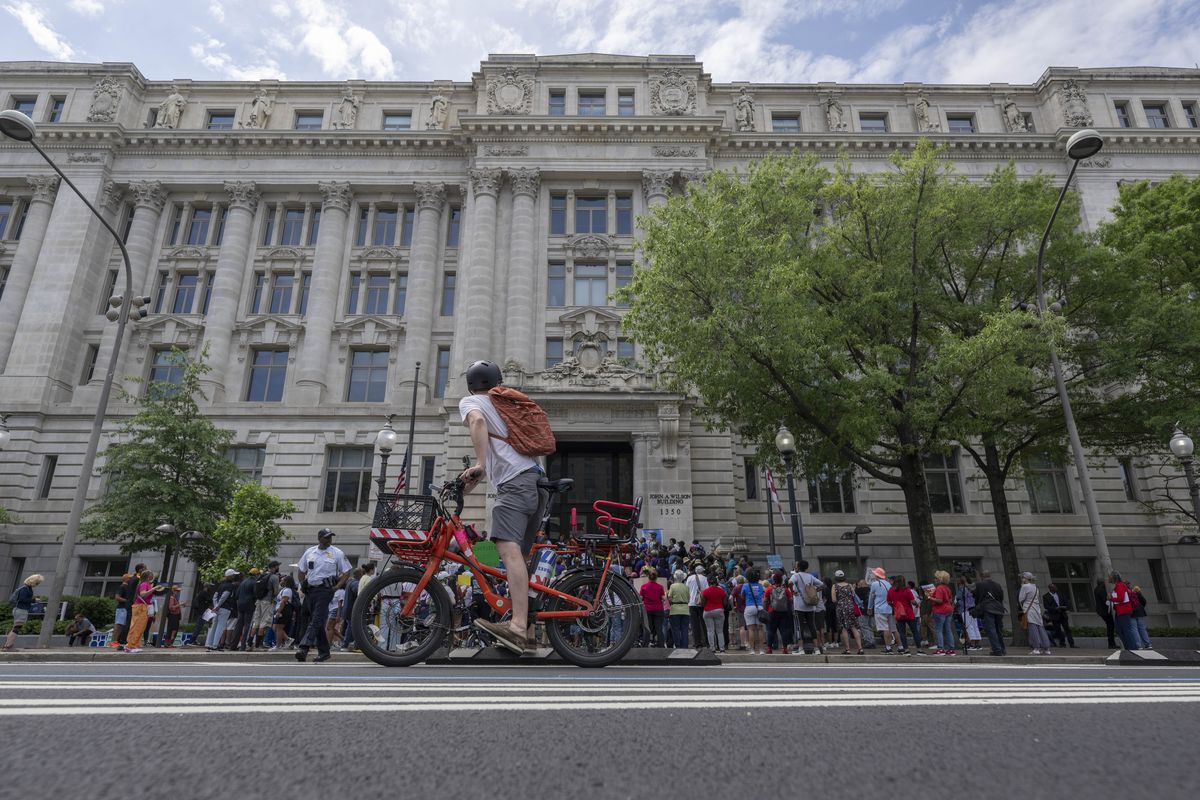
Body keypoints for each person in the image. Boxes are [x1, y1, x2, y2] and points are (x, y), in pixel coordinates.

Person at [458, 360, 550, 655]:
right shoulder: (504, 403)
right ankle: (532, 633)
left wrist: (480, 465)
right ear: (497, 382)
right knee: (520, 558)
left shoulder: (472, 402)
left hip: (515, 483)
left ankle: (519, 628)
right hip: (536, 479)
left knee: (508, 553)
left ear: (471, 385)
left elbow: (478, 422)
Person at [296, 528, 352, 663]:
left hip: (325, 590)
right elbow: (301, 569)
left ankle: (303, 648)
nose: (329, 540)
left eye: (330, 537)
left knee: (316, 619)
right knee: (318, 622)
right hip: (310, 590)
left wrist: (337, 587)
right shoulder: (310, 552)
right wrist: (302, 583)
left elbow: (346, 572)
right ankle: (324, 652)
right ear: (319, 538)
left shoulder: (337, 553)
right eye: (326, 537)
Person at [4, 574, 44, 650]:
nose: (37, 584)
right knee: (16, 628)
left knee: (15, 628)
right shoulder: (25, 589)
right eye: (37, 583)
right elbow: (22, 599)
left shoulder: (27, 588)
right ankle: (8, 646)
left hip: (20, 609)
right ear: (33, 581)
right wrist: (34, 600)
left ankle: (7, 645)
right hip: (20, 610)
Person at [972, 570, 1007, 656]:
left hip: (988, 609)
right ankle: (1002, 649)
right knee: (998, 630)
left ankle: (997, 650)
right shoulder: (997, 585)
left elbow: (977, 597)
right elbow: (1001, 597)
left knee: (991, 630)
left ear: (981, 576)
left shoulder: (980, 585)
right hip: (999, 609)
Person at [888, 575, 922, 655]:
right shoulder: (907, 590)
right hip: (909, 613)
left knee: (902, 632)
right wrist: (917, 604)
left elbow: (889, 601)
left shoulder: (891, 590)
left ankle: (906, 649)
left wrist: (894, 606)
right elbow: (913, 601)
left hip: (899, 614)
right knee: (915, 631)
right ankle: (919, 649)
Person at [830, 570, 863, 655]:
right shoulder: (849, 585)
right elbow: (853, 595)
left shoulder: (835, 586)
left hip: (841, 608)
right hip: (851, 607)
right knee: (854, 627)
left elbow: (833, 599)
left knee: (844, 628)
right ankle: (860, 648)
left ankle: (847, 649)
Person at [123, 569, 155, 653]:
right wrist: (153, 589)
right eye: (151, 575)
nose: (152, 576)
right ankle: (130, 646)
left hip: (142, 606)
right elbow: (143, 594)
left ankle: (134, 645)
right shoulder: (144, 584)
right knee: (137, 626)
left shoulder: (145, 584)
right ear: (148, 577)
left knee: (140, 627)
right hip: (140, 607)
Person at [206, 569, 238, 650]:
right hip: (225, 608)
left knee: (214, 626)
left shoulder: (221, 585)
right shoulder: (230, 586)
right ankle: (215, 645)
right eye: (233, 575)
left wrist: (215, 606)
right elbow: (224, 596)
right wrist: (218, 606)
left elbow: (215, 596)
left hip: (218, 608)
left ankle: (210, 644)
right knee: (220, 627)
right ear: (230, 576)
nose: (234, 576)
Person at [251, 561, 281, 649]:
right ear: (274, 567)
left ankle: (250, 642)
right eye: (277, 566)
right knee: (264, 623)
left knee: (256, 622)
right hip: (268, 602)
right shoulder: (274, 577)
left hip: (259, 600)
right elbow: (276, 591)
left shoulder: (262, 575)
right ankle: (259, 644)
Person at [867, 567, 896, 654]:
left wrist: (869, 607)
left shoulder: (875, 584)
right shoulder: (888, 584)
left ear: (877, 575)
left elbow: (871, 597)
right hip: (889, 608)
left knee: (885, 628)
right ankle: (894, 646)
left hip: (880, 609)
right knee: (891, 628)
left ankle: (888, 647)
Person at [1108, 571, 1140, 650]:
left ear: (1113, 577)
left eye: (1110, 577)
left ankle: (1132, 648)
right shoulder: (1118, 586)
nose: (1108, 578)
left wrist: (1111, 599)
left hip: (1123, 611)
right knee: (1120, 630)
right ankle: (1129, 647)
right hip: (1120, 611)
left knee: (1125, 629)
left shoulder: (1120, 586)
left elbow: (1121, 598)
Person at [763, 572, 792, 655]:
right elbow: (790, 600)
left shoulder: (769, 589)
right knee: (784, 631)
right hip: (784, 612)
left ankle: (769, 649)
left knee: (771, 631)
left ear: (773, 580)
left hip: (772, 612)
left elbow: (765, 601)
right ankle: (785, 649)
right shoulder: (785, 589)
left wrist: (765, 610)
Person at [231, 568, 260, 651]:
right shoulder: (254, 583)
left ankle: (233, 645)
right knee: (247, 625)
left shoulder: (243, 582)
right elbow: (255, 595)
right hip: (249, 605)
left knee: (238, 625)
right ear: (256, 575)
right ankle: (243, 645)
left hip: (240, 605)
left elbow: (237, 595)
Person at [639, 568, 668, 648]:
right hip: (658, 609)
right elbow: (663, 598)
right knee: (659, 628)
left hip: (647, 609)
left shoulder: (644, 587)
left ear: (648, 577)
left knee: (648, 628)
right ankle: (661, 644)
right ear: (656, 577)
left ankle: (645, 644)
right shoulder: (660, 587)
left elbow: (640, 598)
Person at [930, 571, 957, 656]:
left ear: (939, 579)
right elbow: (950, 600)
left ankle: (940, 648)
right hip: (948, 610)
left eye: (936, 578)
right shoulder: (947, 588)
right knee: (948, 630)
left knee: (938, 630)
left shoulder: (939, 588)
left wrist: (930, 598)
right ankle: (951, 649)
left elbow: (939, 600)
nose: (934, 579)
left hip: (940, 610)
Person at [741, 569, 766, 655]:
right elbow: (763, 595)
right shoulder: (760, 585)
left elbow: (742, 596)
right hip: (759, 607)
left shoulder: (745, 585)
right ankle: (762, 650)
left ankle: (752, 650)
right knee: (760, 629)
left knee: (751, 629)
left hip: (749, 607)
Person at [1042, 582, 1075, 648]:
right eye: (1053, 587)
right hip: (1054, 615)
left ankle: (1072, 644)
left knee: (1067, 629)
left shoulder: (1061, 594)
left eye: (1055, 587)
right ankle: (1062, 643)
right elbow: (1046, 606)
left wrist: (1065, 607)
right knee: (1058, 630)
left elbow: (1066, 603)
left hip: (1062, 614)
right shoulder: (1046, 596)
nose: (1055, 588)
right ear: (1050, 588)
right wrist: (1055, 608)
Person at [269, 575, 297, 652]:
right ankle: (288, 639)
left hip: (284, 610)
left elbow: (283, 602)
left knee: (279, 628)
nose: (280, 581)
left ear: (286, 582)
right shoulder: (284, 589)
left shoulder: (287, 590)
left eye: (282, 580)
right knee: (275, 627)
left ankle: (278, 646)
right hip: (280, 609)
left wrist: (278, 612)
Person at [685, 564, 710, 649]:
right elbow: (706, 591)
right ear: (702, 571)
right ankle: (706, 641)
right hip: (701, 603)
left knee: (694, 624)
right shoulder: (705, 579)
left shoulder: (689, 578)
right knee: (704, 623)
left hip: (691, 603)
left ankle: (697, 642)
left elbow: (686, 589)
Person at [700, 579, 728, 652]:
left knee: (710, 631)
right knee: (720, 631)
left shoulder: (705, 591)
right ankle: (722, 648)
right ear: (717, 583)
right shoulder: (721, 590)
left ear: (709, 583)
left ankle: (712, 648)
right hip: (719, 610)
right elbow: (725, 602)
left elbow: (702, 603)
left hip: (708, 611)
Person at [956, 576, 983, 651]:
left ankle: (972, 644)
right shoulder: (972, 589)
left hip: (965, 609)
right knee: (975, 626)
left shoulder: (962, 589)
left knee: (968, 626)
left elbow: (958, 598)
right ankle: (978, 643)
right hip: (973, 609)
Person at [667, 570, 691, 648]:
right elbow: (688, 599)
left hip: (675, 610)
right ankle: (685, 646)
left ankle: (678, 645)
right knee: (684, 629)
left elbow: (669, 598)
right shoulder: (686, 587)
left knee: (676, 629)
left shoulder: (672, 586)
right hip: (685, 610)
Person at [1094, 578, 1117, 648]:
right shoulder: (1101, 590)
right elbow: (1105, 600)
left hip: (1101, 611)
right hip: (1105, 611)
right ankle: (1111, 643)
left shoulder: (1096, 589)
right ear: (1102, 583)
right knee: (1111, 626)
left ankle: (1111, 643)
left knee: (1109, 626)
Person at [1131, 585, 1152, 649]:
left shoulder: (1128, 594)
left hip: (1132, 613)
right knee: (1142, 629)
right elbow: (1144, 601)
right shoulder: (1138, 594)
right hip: (1140, 612)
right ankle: (1148, 644)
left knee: (1134, 629)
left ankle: (1138, 645)